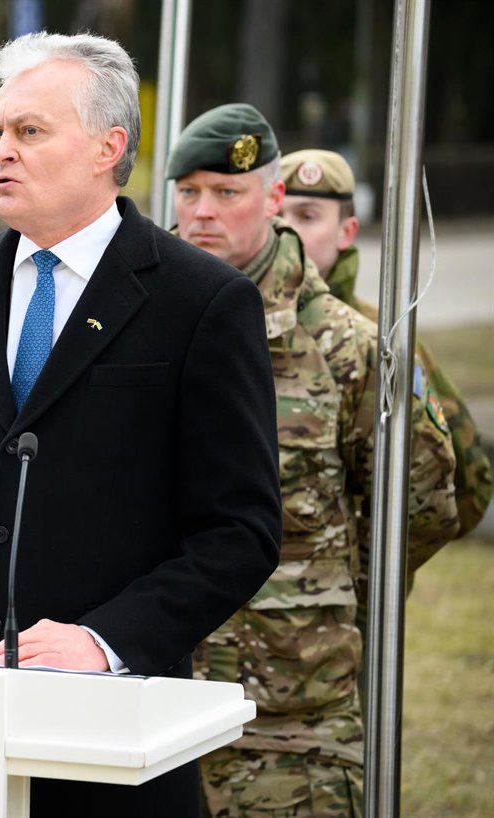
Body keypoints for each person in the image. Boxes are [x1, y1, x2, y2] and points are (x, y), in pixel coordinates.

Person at [0, 33, 282, 817]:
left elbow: (238, 530)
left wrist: (104, 641)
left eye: (30, 131)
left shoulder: (200, 301)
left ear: (109, 147)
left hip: (111, 729)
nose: (2, 151)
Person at [168, 104, 460, 816]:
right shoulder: (133, 322)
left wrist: (322, 604)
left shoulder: (344, 347)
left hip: (290, 723)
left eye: (227, 193)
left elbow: (421, 505)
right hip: (153, 696)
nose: (203, 213)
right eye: (189, 192)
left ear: (273, 199)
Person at [279, 148, 491, 546]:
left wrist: (367, 565)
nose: (287, 230)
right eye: (277, 214)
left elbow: (468, 484)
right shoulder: (240, 320)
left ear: (346, 232)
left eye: (307, 216)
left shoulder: (382, 338)